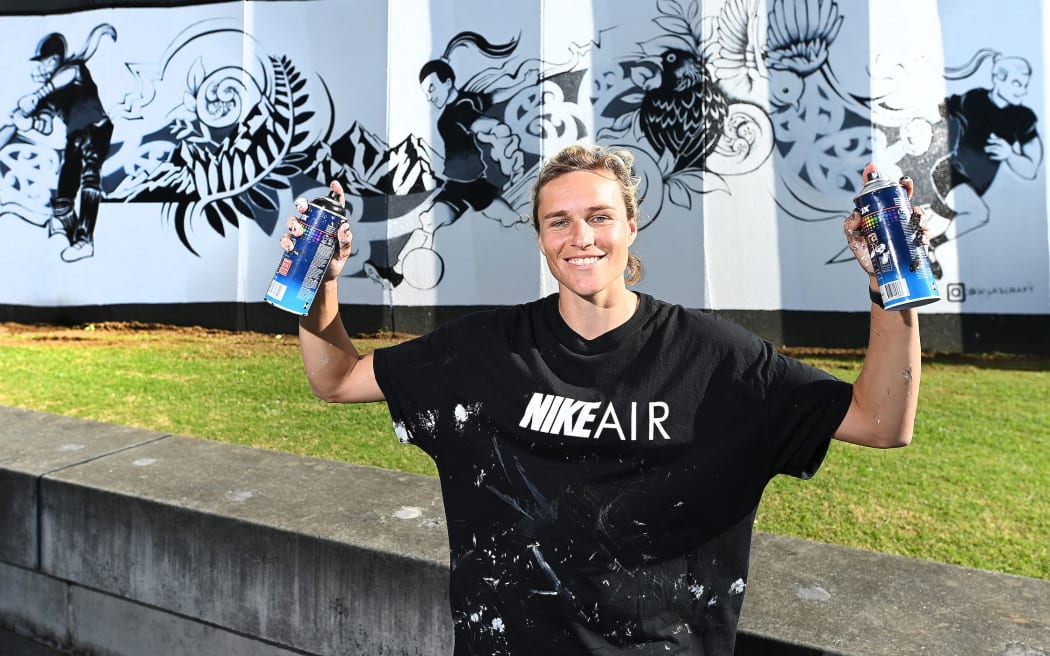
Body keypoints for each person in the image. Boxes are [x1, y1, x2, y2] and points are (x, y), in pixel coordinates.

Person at [286, 144, 923, 655]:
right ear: (539, 238)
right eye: (557, 221)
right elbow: (338, 379)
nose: (580, 236)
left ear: (631, 226)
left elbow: (880, 421)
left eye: (599, 216)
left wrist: (887, 285)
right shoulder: (482, 350)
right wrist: (318, 284)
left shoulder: (715, 358)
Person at [365, 31, 535, 288]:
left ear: (447, 82)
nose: (429, 96)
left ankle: (395, 269)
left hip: (474, 184)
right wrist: (521, 82)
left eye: (432, 88)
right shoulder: (466, 101)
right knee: (431, 221)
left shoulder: (458, 112)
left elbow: (479, 122)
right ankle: (395, 269)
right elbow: (493, 96)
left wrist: (494, 129)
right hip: (461, 184)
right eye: (425, 91)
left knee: (508, 220)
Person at [12, 30, 115, 263]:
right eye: (43, 61)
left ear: (58, 58)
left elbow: (69, 74)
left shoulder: (74, 70)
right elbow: (46, 126)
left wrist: (38, 94)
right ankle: (76, 241)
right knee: (62, 201)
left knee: (90, 174)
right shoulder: (49, 98)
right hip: (74, 138)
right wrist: (27, 122)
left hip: (96, 127)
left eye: (48, 60)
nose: (45, 65)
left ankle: (84, 238)